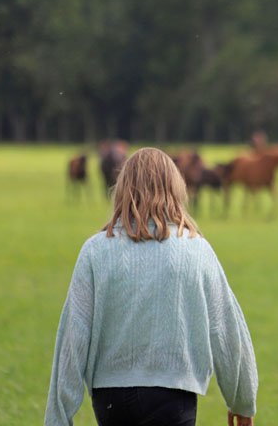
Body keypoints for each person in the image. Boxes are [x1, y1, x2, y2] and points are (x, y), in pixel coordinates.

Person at [45, 148, 258, 426]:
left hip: (111, 399)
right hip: (174, 396)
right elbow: (227, 329)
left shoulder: (94, 251)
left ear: (122, 189)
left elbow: (73, 336)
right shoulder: (196, 249)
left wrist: (58, 419)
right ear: (176, 188)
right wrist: (242, 402)